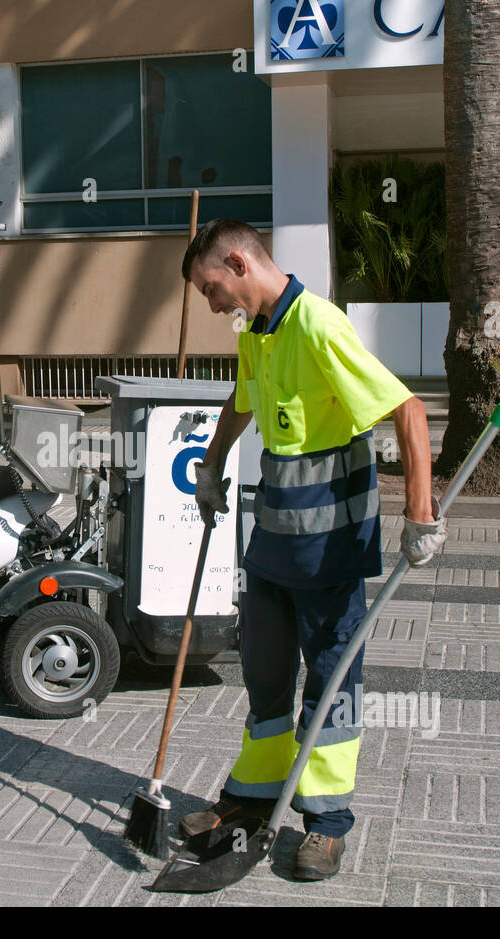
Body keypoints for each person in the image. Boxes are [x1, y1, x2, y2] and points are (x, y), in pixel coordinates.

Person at [179, 218, 445, 881]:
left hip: (328, 550)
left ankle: (326, 822)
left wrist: (420, 512)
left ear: (238, 263)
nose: (211, 306)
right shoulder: (258, 334)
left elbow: (407, 410)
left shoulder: (318, 324)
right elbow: (241, 400)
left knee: (332, 681)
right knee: (266, 673)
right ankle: (251, 798)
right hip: (273, 541)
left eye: (210, 288)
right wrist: (211, 465)